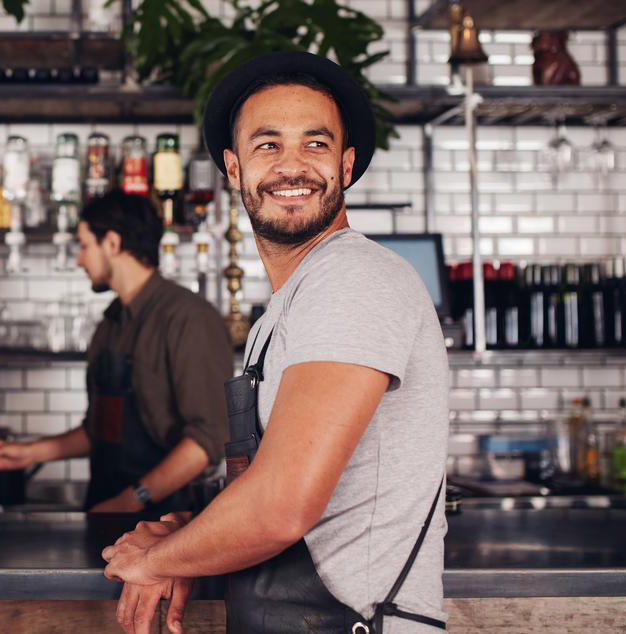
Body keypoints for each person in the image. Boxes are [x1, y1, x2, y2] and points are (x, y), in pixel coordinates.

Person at [102, 51, 450, 633]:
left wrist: (156, 560)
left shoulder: (352, 278)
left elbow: (283, 506)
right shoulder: (285, 309)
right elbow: (263, 487)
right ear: (235, 170)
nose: (294, 166)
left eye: (315, 144)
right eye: (268, 145)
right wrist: (189, 535)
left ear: (346, 163)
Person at [0, 190, 233, 514]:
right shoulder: (111, 324)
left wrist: (131, 500)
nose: (80, 260)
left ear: (112, 243)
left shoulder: (189, 318)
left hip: (168, 521)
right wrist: (29, 453)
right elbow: (100, 430)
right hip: (107, 509)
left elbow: (207, 440)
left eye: (84, 246)